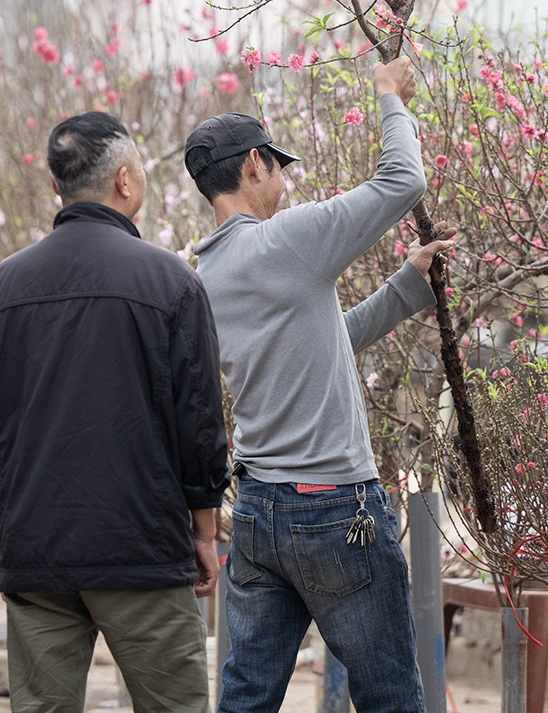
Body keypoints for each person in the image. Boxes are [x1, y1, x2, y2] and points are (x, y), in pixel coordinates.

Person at [185, 56, 454, 713]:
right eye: (278, 166)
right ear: (254, 165)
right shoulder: (289, 239)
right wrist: (391, 97)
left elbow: (331, 338)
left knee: (246, 698)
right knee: (390, 694)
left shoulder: (200, 280)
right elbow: (403, 179)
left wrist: (407, 286)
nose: (283, 182)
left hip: (257, 515)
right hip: (335, 508)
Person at [0, 111, 230, 713]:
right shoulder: (170, 282)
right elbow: (200, 421)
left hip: (37, 547)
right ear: (126, 181)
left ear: (57, 186)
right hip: (141, 545)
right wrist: (204, 529)